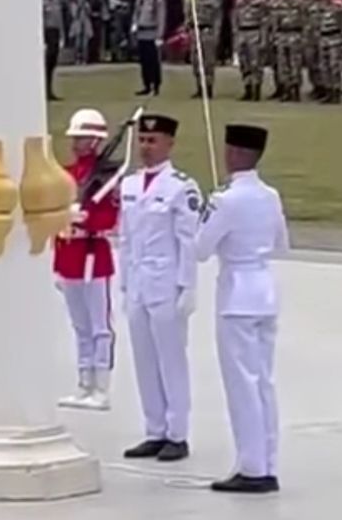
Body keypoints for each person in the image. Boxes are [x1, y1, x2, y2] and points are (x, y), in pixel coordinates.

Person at [197, 124, 287, 494]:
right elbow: (281, 243)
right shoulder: (271, 195)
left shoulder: (225, 200)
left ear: (233, 153)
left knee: (242, 385)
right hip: (265, 291)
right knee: (263, 381)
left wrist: (204, 215)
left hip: (236, 295)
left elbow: (199, 249)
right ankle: (266, 461)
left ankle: (252, 467)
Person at [119, 113, 201, 463]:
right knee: (144, 360)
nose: (145, 147)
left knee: (171, 360)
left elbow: (188, 241)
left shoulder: (181, 186)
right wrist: (124, 283)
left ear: (169, 143)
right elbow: (125, 238)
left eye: (153, 141)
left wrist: (188, 286)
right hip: (139, 281)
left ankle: (177, 433)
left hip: (167, 282)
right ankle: (154, 430)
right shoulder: (129, 185)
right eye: (142, 140)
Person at [55, 108, 120, 412]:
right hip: (70, 255)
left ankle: (101, 387)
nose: (75, 143)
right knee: (80, 326)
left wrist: (86, 219)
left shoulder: (107, 177)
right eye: (75, 137)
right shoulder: (66, 175)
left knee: (99, 326)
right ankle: (83, 384)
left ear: (94, 141)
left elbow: (110, 218)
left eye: (81, 138)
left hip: (94, 254)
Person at [132, 0, 165, 97]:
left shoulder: (157, 0)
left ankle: (156, 85)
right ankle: (146, 85)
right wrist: (134, 26)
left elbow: (161, 18)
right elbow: (136, 14)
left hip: (152, 33)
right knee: (144, 62)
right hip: (142, 33)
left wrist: (160, 35)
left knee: (153, 61)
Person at [43, 0, 64, 101]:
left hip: (55, 32)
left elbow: (60, 20)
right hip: (48, 32)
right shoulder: (43, 3)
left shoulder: (57, 2)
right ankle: (45, 90)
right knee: (46, 64)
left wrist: (62, 35)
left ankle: (49, 90)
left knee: (52, 65)